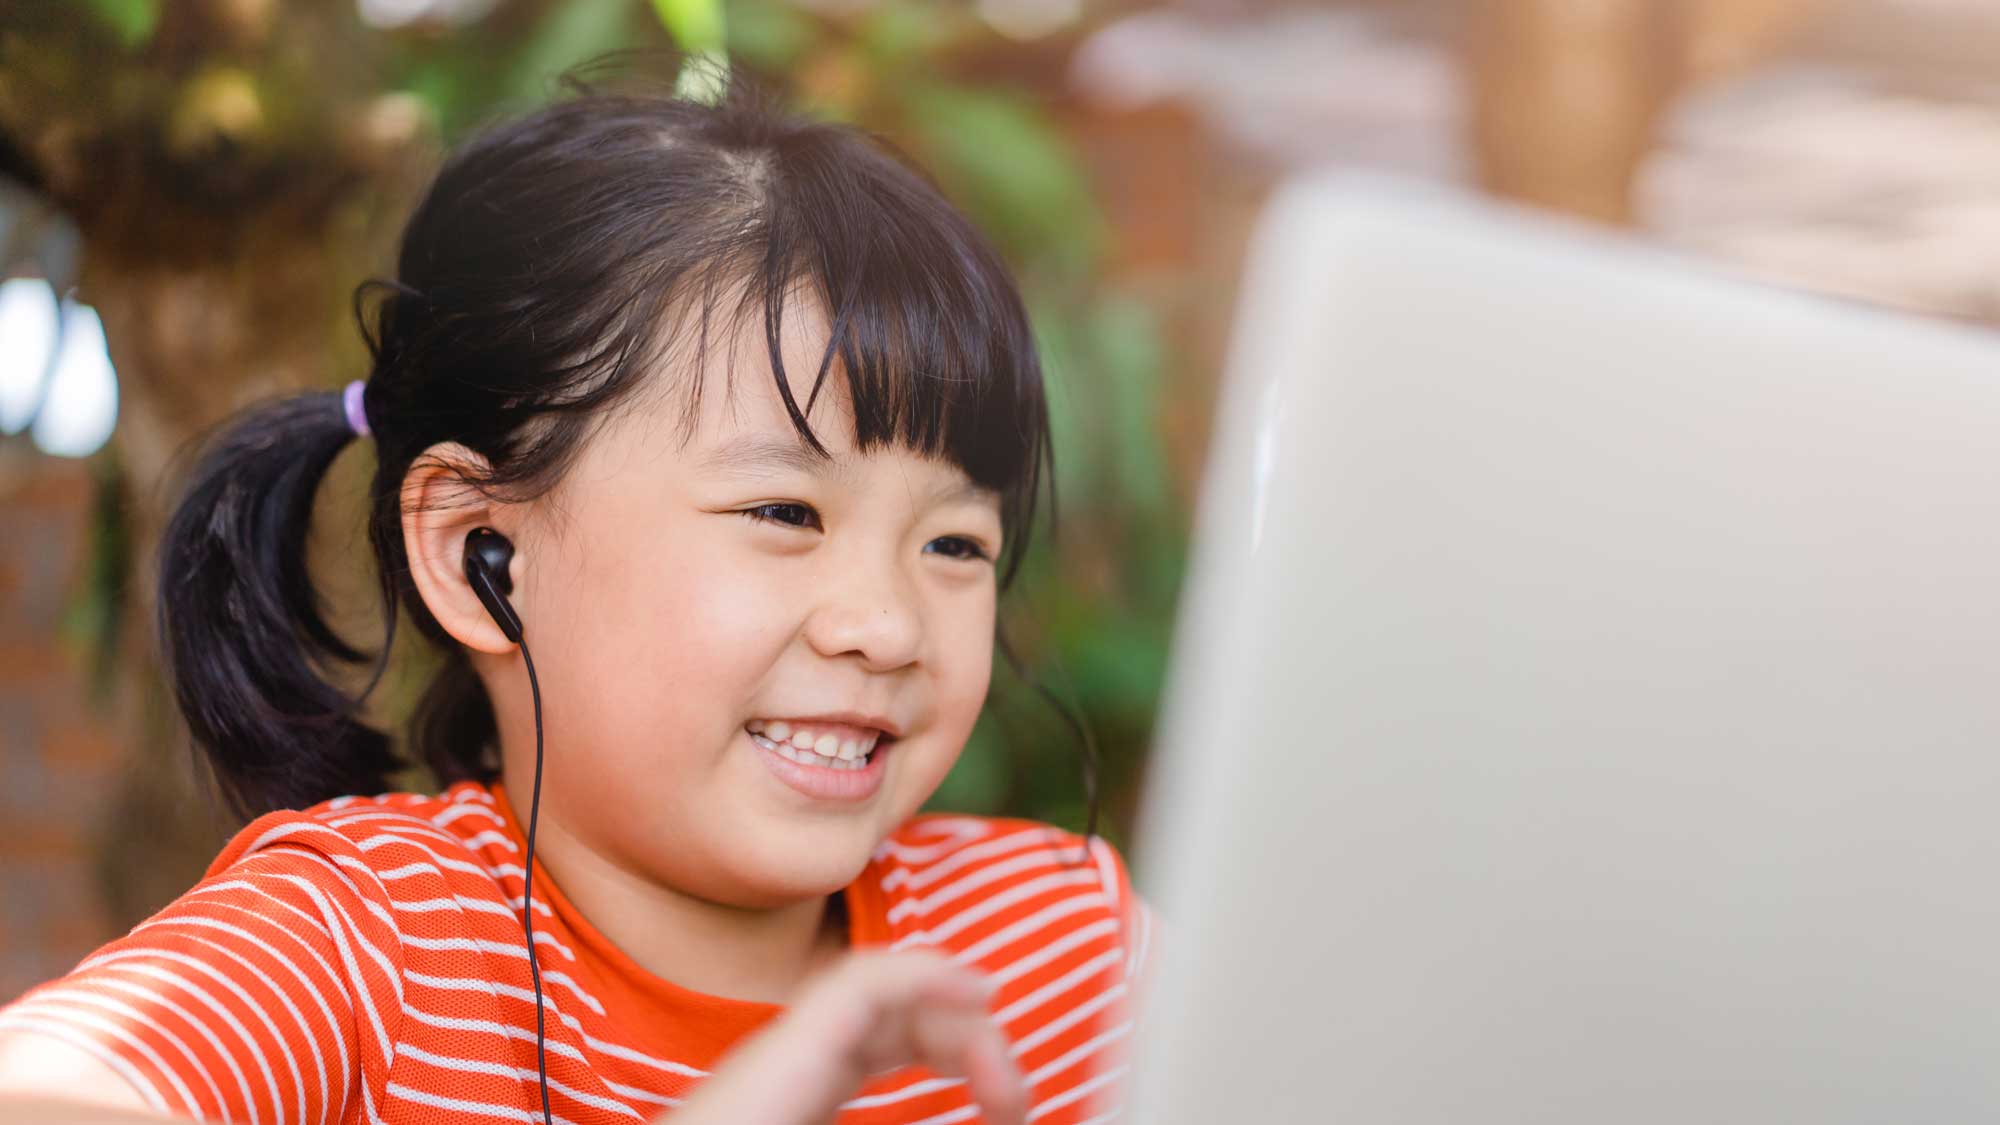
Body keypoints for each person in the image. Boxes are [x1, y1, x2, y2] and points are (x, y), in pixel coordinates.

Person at [0, 50, 1155, 1125]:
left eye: (953, 545)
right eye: (782, 513)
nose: (889, 626)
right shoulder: (359, 948)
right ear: (476, 554)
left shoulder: (1061, 947)